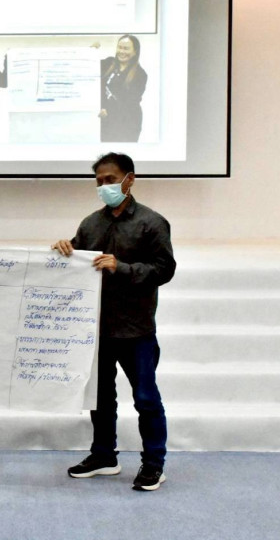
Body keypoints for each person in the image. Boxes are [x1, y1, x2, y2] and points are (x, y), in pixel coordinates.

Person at [51, 152, 175, 491]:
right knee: (101, 399)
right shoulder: (90, 224)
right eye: (99, 181)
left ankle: (154, 464)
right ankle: (104, 456)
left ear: (129, 179)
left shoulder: (152, 223)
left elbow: (165, 270)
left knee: (146, 398)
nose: (104, 186)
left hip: (136, 329)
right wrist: (63, 249)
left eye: (110, 180)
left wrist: (122, 267)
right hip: (97, 328)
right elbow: (77, 259)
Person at [99, 35, 147, 143]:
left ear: (135, 52)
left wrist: (107, 110)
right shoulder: (108, 63)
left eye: (126, 48)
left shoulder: (140, 74)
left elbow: (129, 102)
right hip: (106, 121)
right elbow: (88, 64)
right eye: (119, 47)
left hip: (128, 123)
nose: (121, 51)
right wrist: (91, 49)